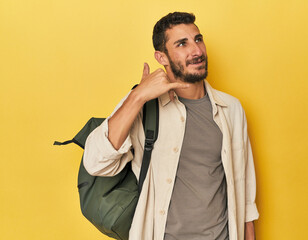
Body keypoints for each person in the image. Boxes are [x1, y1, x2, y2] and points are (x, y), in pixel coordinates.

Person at [83, 12, 259, 240]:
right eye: (181, 44)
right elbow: (96, 163)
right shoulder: (145, 105)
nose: (196, 51)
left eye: (198, 39)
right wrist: (137, 97)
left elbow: (245, 195)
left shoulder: (231, 109)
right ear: (161, 57)